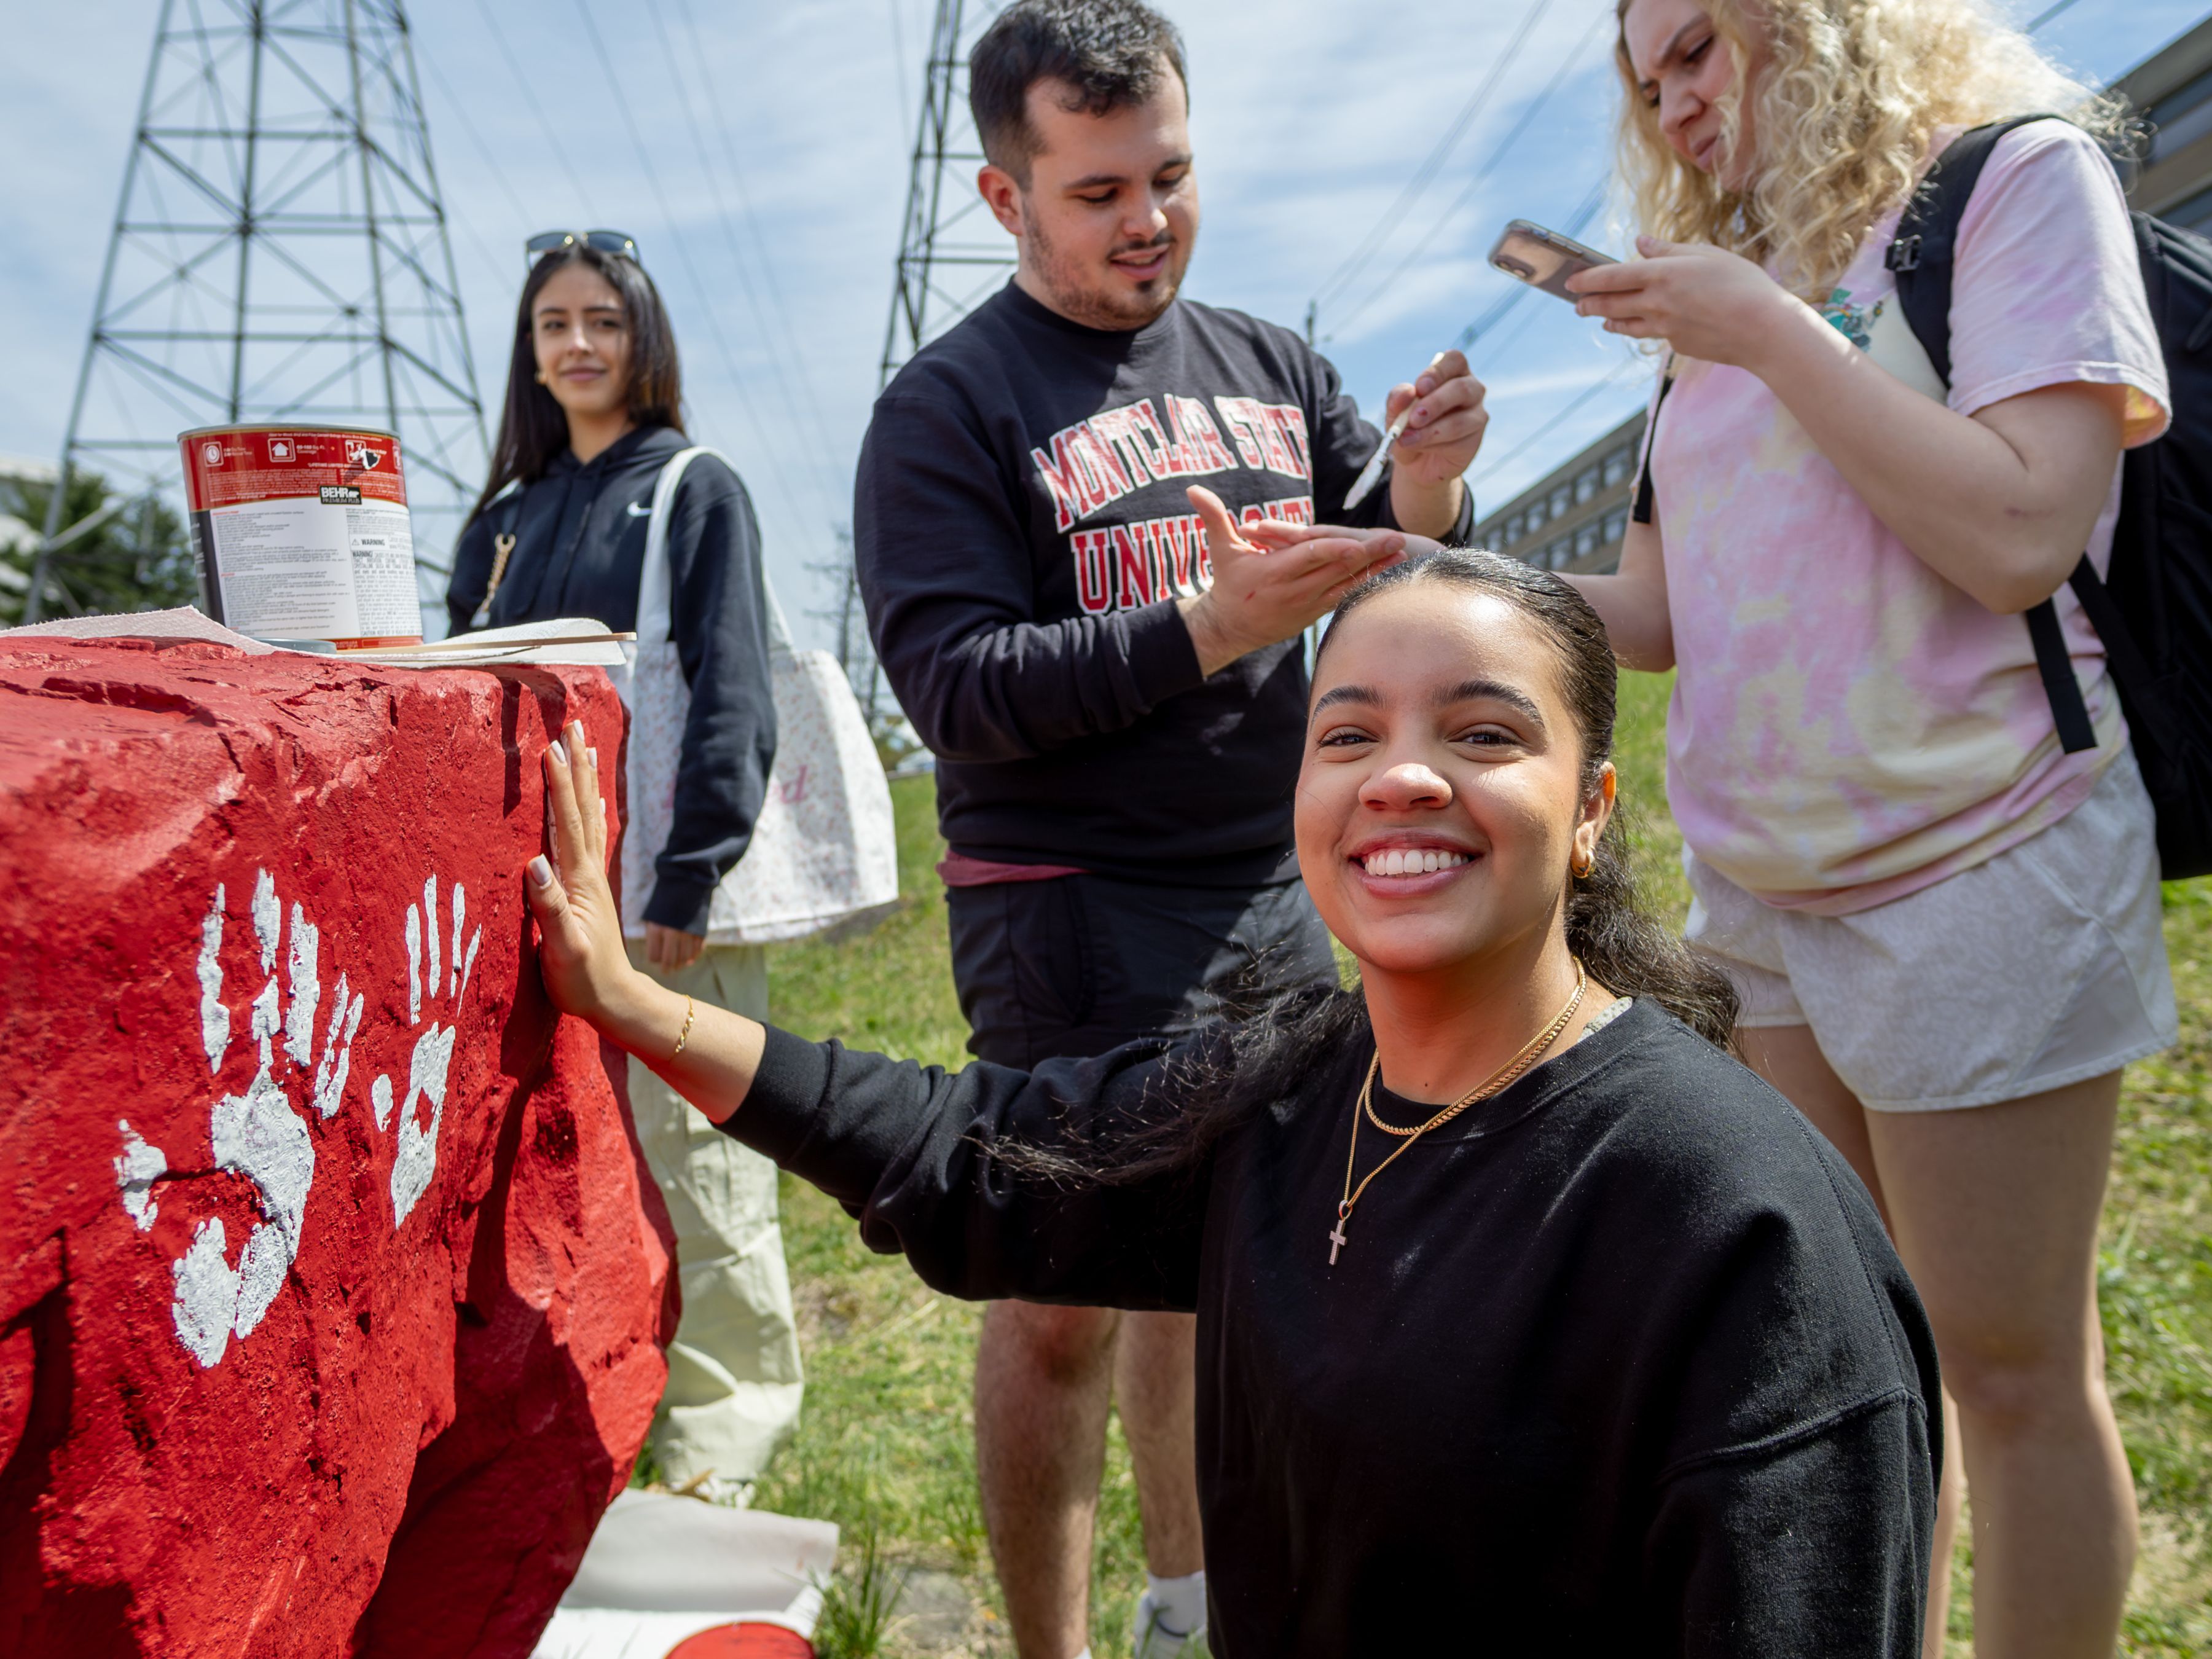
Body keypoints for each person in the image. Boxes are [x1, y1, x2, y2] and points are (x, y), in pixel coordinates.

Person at [522, 549, 1943, 1658]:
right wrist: (640, 1011)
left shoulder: (1739, 1227)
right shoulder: (1299, 1092)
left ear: (1592, 813)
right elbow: (978, 1154)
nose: (1400, 777)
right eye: (1348, 734)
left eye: (1485, 734)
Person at [851, 4, 1485, 1650]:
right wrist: (1203, 625)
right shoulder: (948, 408)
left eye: (1174, 177)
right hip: (1067, 902)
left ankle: (1187, 1608)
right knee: (1061, 1296)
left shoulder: (1273, 366)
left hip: (1269, 886)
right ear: (1005, 199)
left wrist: (1422, 490)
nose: (1148, 221)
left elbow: (1388, 564)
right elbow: (955, 688)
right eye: (1098, 191)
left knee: (1221, 1271)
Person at [1548, 2, 2171, 1653]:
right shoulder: (1718, 295)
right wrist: (1433, 561)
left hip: (1979, 851)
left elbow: (2028, 528)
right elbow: (1661, 611)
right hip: (1767, 895)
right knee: (1862, 1359)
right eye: (1647, 77)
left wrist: (1768, 330)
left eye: (1698, 50)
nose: (1673, 103)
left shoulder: (2013, 186)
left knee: (2010, 1362)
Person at [445, 232, 803, 1499]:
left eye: (604, 319)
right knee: (543, 1172)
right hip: (524, 902)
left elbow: (732, 692)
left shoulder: (695, 486)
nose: (579, 344)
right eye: (554, 324)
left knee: (701, 1164)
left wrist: (689, 875)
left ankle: (722, 1456)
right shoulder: (502, 519)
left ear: (645, 339)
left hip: (661, 897)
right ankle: (580, 1427)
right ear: (529, 352)